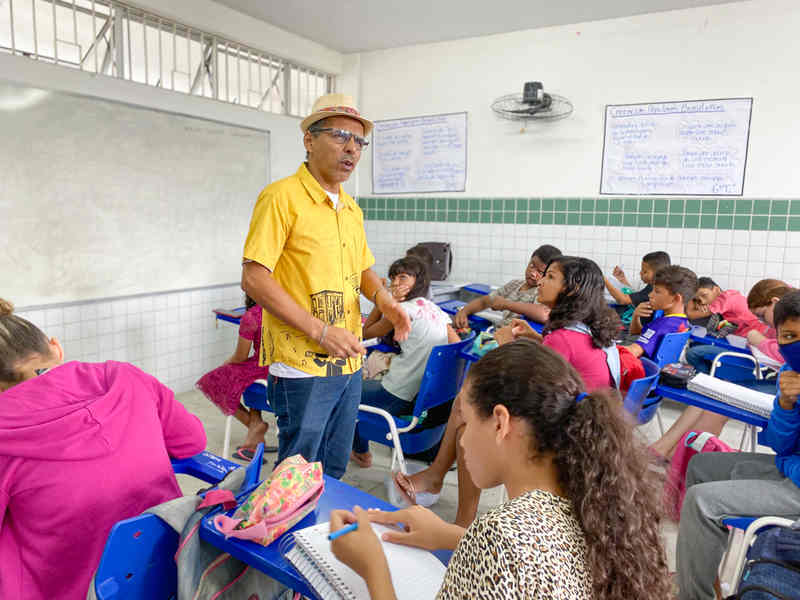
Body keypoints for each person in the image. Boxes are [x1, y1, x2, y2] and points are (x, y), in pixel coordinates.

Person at [328, 340, 671, 600]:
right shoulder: (596, 503)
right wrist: (450, 535)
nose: (460, 441)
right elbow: (536, 561)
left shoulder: (499, 535)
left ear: (500, 422)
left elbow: (510, 550)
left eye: (464, 417)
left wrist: (372, 566)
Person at [241, 93, 411, 479]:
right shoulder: (281, 197)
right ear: (309, 140)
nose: (351, 149)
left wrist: (387, 301)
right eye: (338, 136)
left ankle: (321, 537)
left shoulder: (350, 208)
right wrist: (319, 330)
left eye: (358, 141)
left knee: (334, 463)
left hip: (348, 357)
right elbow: (254, 277)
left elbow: (363, 269)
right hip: (303, 363)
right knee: (298, 467)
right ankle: (289, 536)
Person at [0, 299, 206, 600]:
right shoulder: (125, 376)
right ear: (56, 347)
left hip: (60, 586)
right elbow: (192, 441)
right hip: (163, 568)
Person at [397, 255, 620, 526]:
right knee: (466, 406)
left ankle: (455, 510)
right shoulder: (586, 330)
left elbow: (527, 389)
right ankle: (437, 480)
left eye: (550, 277)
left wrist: (505, 347)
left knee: (468, 415)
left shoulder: (562, 337)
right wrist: (536, 338)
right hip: (584, 427)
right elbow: (566, 365)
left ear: (571, 290)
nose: (541, 281)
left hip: (564, 437)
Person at [677, 290, 800, 600]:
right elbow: (779, 444)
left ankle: (693, 597)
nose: (793, 343)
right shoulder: (789, 373)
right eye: (788, 335)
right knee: (701, 465)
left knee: (702, 501)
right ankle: (704, 576)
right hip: (790, 468)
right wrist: (786, 405)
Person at [651, 279, 791, 461]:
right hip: (781, 380)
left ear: (774, 302)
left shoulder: (731, 297)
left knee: (717, 403)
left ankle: (678, 457)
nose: (764, 323)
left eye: (763, 316)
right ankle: (667, 449)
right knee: (710, 392)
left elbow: (779, 353)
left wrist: (758, 339)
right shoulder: (781, 320)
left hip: (786, 389)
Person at [351, 256, 459, 468]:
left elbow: (363, 333)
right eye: (393, 278)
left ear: (418, 281)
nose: (396, 283)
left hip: (396, 394)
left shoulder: (405, 310)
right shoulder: (434, 309)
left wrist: (380, 301)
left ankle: (361, 453)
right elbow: (454, 345)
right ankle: (360, 450)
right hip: (422, 396)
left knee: (348, 391)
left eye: (403, 277)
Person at [196, 295, 273, 460]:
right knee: (245, 376)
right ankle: (255, 434)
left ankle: (254, 425)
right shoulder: (281, 308)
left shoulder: (252, 316)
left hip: (262, 367)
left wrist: (224, 365)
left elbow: (240, 357)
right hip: (283, 367)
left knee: (212, 382)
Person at [452, 244, 559, 329]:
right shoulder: (515, 284)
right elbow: (485, 301)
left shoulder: (542, 292)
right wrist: (464, 311)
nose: (533, 273)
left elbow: (543, 314)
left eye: (540, 272)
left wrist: (506, 304)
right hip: (498, 333)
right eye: (532, 266)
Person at [685, 277, 770, 373]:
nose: (703, 302)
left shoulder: (726, 298)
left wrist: (689, 296)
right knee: (697, 344)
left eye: (704, 295)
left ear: (716, 289)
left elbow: (691, 314)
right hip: (746, 345)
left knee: (692, 353)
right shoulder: (731, 296)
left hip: (750, 351)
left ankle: (705, 379)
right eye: (698, 300)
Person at [622, 265, 697, 359]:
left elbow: (633, 352)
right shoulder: (681, 321)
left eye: (657, 291)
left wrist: (606, 350)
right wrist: (636, 316)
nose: (650, 295)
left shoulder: (661, 325)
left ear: (676, 298)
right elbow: (638, 333)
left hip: (645, 370)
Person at [745, 278, 794, 363]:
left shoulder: (795, 316)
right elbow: (773, 334)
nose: (763, 321)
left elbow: (790, 355)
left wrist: (760, 341)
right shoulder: (782, 317)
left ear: (775, 303)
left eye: (762, 315)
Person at [605, 250, 671, 312]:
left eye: (645, 271)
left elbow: (622, 300)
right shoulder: (655, 286)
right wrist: (623, 280)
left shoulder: (652, 289)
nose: (640, 273)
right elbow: (636, 297)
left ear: (657, 274)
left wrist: (604, 279)